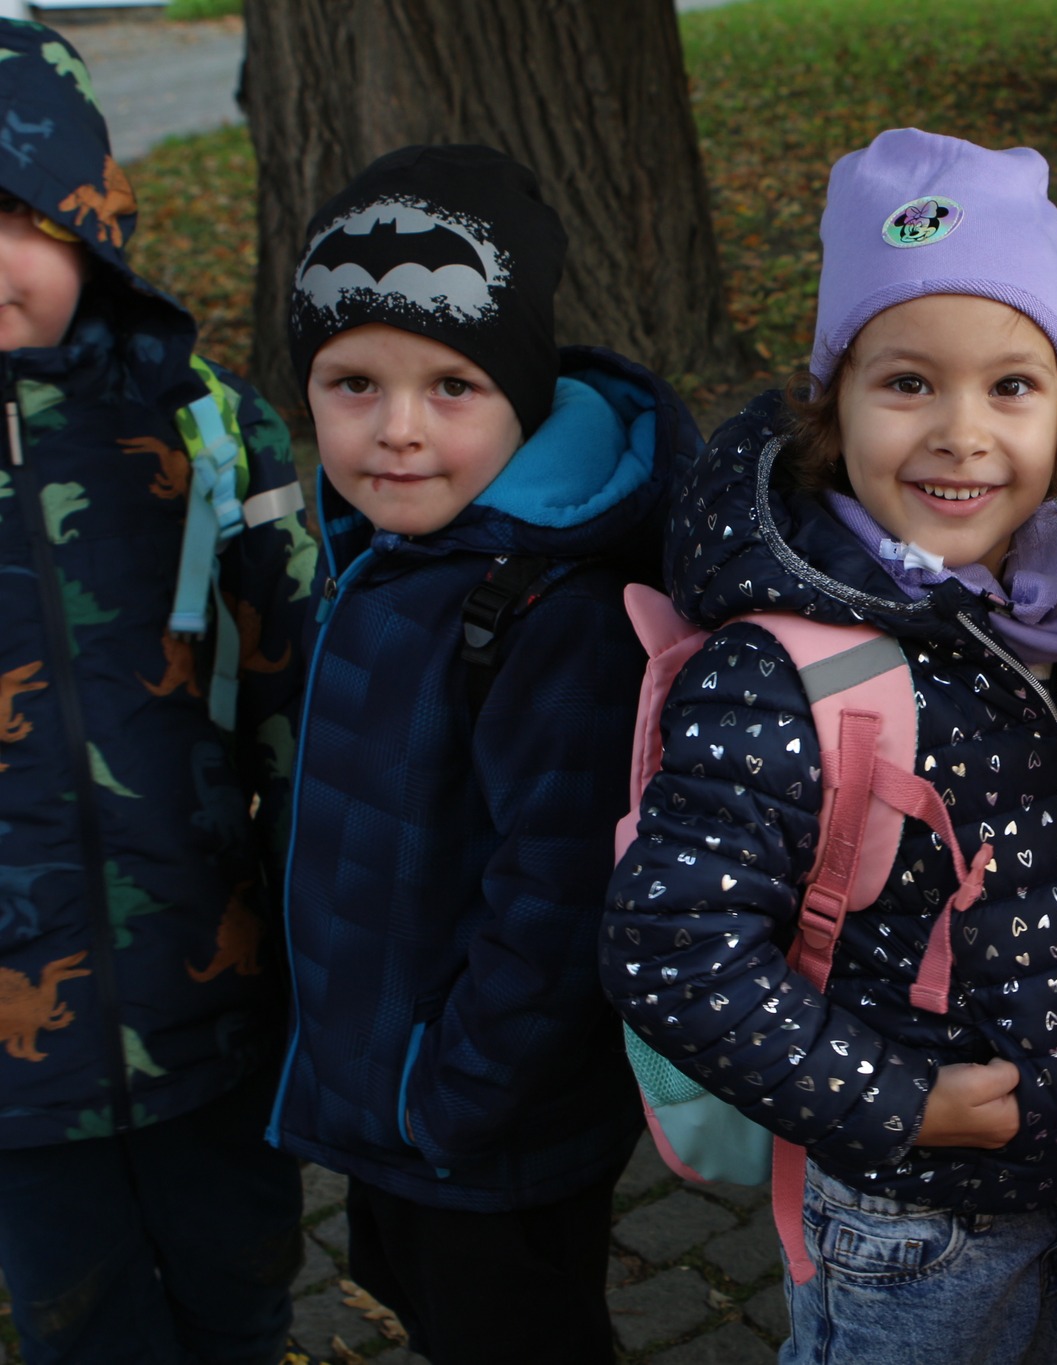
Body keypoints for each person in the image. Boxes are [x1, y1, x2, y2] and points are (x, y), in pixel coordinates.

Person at [603, 126, 1057, 1365]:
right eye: (909, 383)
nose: (961, 432)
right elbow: (669, 950)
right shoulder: (782, 673)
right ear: (833, 408)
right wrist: (896, 1103)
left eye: (1011, 386)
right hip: (915, 1222)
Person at [267, 144, 694, 1364]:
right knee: (414, 1288)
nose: (396, 430)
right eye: (353, 383)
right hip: (394, 1094)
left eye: (452, 385)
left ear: (523, 397)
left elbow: (559, 901)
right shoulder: (382, 549)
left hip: (477, 1124)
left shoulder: (551, 616)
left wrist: (449, 1096)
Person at [0, 20, 315, 1364]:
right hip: (19, 1074)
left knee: (239, 1284)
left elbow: (299, 694)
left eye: (15, 214)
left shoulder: (206, 425)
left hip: (214, 995)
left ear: (89, 211)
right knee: (78, 1319)